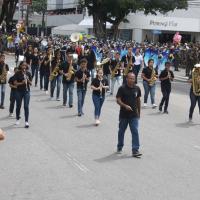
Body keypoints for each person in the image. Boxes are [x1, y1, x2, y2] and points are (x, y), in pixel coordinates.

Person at [116, 72, 142, 157]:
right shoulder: (122, 88)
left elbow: (138, 101)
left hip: (134, 115)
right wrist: (124, 106)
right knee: (121, 131)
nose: (131, 80)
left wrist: (139, 113)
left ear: (135, 79)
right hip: (124, 115)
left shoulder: (137, 88)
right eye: (130, 78)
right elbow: (118, 100)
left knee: (135, 131)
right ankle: (120, 146)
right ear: (127, 79)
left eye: (133, 78)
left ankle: (135, 150)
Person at [13, 61, 32, 128]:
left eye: (25, 65)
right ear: (20, 66)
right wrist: (22, 83)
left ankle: (26, 122)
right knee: (18, 106)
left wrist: (28, 80)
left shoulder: (28, 73)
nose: (24, 67)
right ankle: (17, 119)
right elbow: (15, 83)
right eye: (23, 65)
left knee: (26, 106)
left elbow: (31, 83)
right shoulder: (17, 73)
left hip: (27, 91)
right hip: (19, 91)